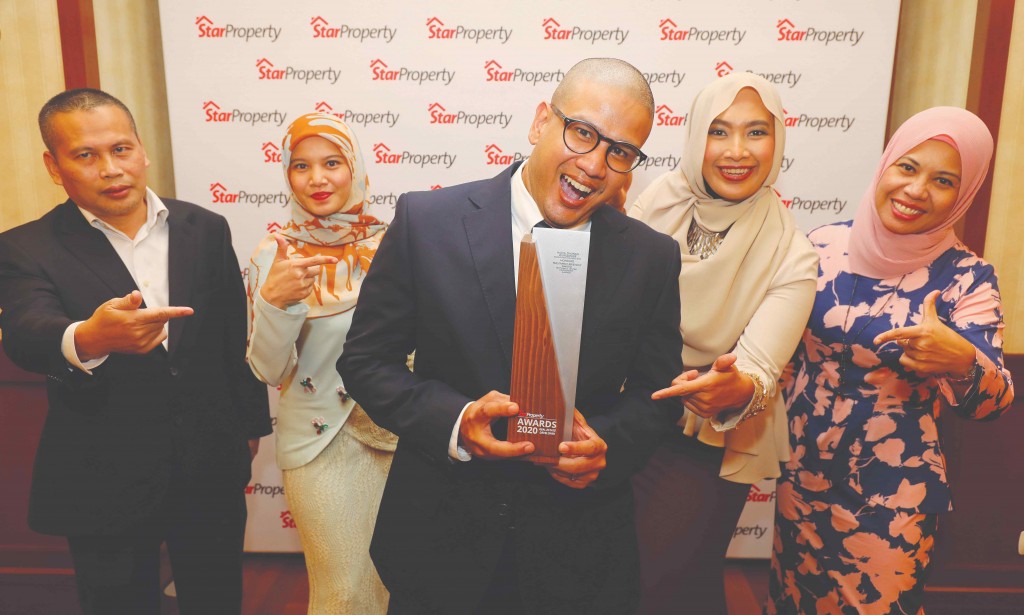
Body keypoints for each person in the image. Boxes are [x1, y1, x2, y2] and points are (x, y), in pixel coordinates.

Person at [337, 58, 684, 615]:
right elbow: (365, 362)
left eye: (620, 151)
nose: (594, 165)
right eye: (583, 133)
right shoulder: (428, 221)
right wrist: (454, 420)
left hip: (578, 554)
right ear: (540, 121)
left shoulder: (651, 257)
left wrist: (606, 447)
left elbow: (658, 392)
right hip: (441, 542)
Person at [0, 88, 270, 614]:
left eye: (121, 149)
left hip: (209, 461)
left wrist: (248, 428)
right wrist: (91, 337)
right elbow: (28, 332)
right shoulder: (24, 246)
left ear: (142, 150)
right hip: (103, 472)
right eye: (86, 156)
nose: (111, 169)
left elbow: (231, 338)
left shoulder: (205, 228)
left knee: (216, 598)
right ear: (54, 168)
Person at [767, 107, 1015, 614]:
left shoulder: (967, 277)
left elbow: (997, 401)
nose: (917, 189)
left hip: (891, 497)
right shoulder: (820, 246)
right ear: (885, 167)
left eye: (943, 180)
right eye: (907, 167)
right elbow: (780, 355)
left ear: (963, 194)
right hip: (800, 478)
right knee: (791, 604)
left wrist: (962, 358)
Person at [627, 73, 819, 613]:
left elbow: (759, 369)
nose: (737, 151)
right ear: (694, 139)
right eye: (718, 131)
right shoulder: (657, 201)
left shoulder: (791, 254)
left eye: (756, 132)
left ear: (777, 141)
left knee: (654, 582)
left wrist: (734, 389)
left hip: (704, 441)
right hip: (625, 417)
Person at [245, 112, 396, 614]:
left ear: (355, 166)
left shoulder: (395, 244)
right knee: (344, 588)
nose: (317, 179)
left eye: (332, 162)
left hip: (402, 437)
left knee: (404, 579)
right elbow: (269, 369)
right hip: (319, 440)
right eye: (301, 166)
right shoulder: (274, 254)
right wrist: (277, 302)